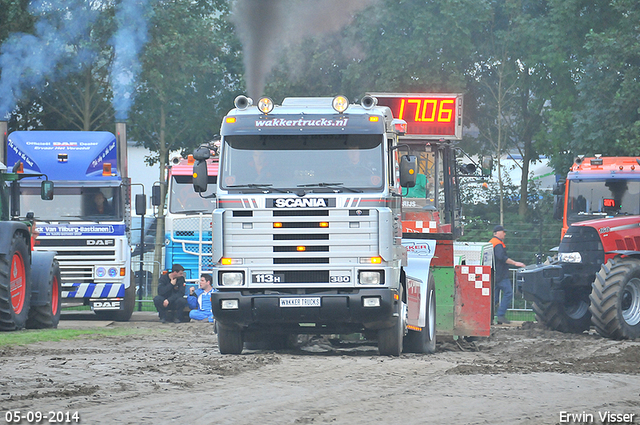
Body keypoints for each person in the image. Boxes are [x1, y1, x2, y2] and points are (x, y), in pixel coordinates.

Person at [490, 225, 525, 324]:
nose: (505, 234)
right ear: (497, 232)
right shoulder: (498, 244)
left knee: (494, 297)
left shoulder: (491, 242)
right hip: (500, 275)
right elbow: (502, 257)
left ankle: (489, 318)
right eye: (503, 232)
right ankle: (500, 315)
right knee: (508, 293)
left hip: (494, 274)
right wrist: (515, 263)